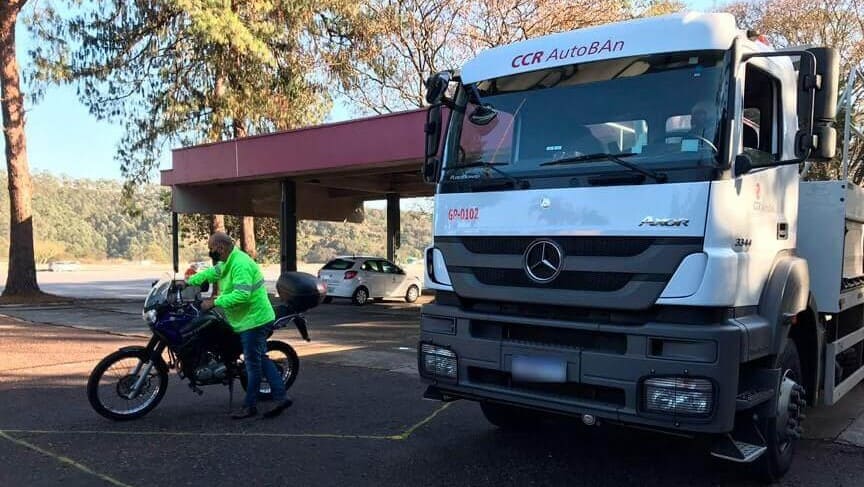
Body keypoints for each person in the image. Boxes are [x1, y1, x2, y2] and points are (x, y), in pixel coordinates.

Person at [187, 232, 292, 419]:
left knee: (253, 364)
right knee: (260, 358)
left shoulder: (240, 264)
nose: (210, 252)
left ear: (220, 248)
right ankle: (281, 396)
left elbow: (242, 295)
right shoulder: (227, 260)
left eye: (211, 249)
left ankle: (250, 406)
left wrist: (214, 301)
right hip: (245, 319)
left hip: (254, 320)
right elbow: (213, 273)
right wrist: (186, 283)